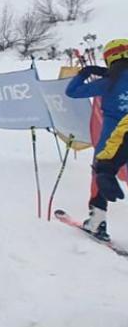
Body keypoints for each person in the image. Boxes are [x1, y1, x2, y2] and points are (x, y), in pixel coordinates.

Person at [65, 38, 128, 240]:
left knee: (100, 176)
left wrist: (85, 73)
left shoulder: (108, 82)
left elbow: (72, 92)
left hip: (110, 138)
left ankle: (97, 222)